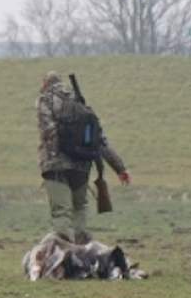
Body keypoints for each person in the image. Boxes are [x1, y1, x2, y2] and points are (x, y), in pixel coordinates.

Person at [36, 71, 131, 244]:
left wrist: (53, 158)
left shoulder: (46, 99)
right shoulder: (80, 102)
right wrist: (120, 168)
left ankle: (65, 256)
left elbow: (48, 132)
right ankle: (83, 252)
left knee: (61, 211)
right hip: (82, 165)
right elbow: (100, 141)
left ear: (45, 84)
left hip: (56, 166)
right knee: (79, 208)